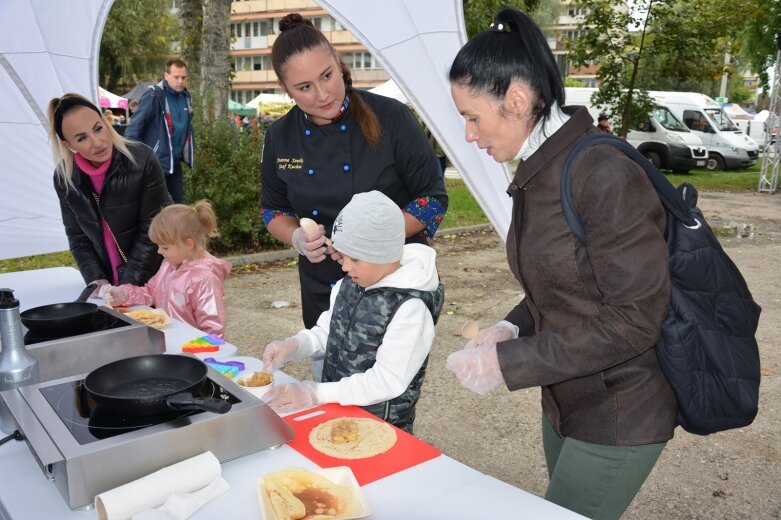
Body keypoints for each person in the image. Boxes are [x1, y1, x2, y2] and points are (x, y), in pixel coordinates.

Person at [444, 9, 677, 520]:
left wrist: (510, 364)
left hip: (619, 410)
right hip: (566, 401)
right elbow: (562, 280)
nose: (468, 134)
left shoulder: (603, 173)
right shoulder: (539, 168)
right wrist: (512, 325)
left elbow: (636, 318)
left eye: (471, 116)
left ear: (518, 101)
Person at [260, 13, 448, 377]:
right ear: (286, 90)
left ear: (338, 63)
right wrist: (297, 237)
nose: (323, 94)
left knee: (385, 401)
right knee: (328, 387)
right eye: (304, 88)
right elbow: (272, 210)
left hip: (390, 284)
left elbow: (432, 201)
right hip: (322, 287)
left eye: (327, 76)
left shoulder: (392, 117)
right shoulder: (280, 137)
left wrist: (370, 241)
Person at [261, 191, 444, 432]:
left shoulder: (410, 308)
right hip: (338, 410)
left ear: (383, 253)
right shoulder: (348, 284)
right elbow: (327, 331)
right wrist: (294, 345)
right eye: (343, 255)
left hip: (382, 428)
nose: (345, 266)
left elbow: (387, 381)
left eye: (355, 258)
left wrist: (315, 392)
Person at [48, 93, 171, 290]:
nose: (97, 143)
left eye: (98, 128)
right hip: (108, 289)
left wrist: (126, 288)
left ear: (105, 122)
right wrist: (97, 283)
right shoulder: (65, 178)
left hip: (154, 282)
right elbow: (78, 238)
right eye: (82, 138)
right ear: (69, 145)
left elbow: (154, 231)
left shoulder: (143, 160)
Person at [100, 200, 232, 337]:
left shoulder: (205, 278)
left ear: (188, 244)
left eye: (165, 247)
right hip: (168, 340)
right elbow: (151, 291)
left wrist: (201, 353)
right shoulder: (169, 265)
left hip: (190, 348)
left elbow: (213, 327)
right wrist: (123, 294)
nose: (159, 252)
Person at [125, 58, 194, 203]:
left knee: (177, 208)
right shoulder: (154, 95)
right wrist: (135, 162)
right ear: (166, 75)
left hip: (174, 164)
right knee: (156, 210)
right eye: (176, 77)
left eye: (183, 77)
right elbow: (134, 128)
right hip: (155, 165)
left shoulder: (186, 97)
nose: (180, 81)